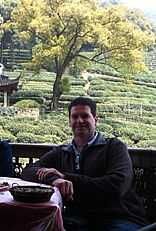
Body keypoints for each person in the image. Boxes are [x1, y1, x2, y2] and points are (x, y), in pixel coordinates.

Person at [21, 97, 147, 230]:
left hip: (119, 218)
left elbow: (117, 186)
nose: (79, 121)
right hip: (77, 219)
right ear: (70, 121)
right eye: (75, 117)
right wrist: (54, 180)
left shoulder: (114, 147)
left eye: (85, 116)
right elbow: (28, 171)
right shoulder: (61, 152)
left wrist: (66, 178)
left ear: (95, 120)